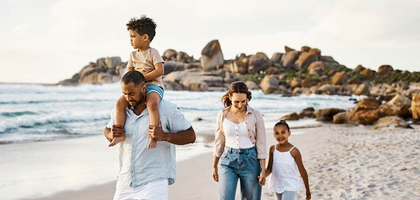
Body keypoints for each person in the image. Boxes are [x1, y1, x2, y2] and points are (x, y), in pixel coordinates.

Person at [104, 71, 196, 200]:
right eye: (125, 94)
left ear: (143, 88)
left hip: (154, 180)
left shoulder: (166, 109)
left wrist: (165, 136)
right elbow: (107, 130)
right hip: (125, 180)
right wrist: (111, 134)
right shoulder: (121, 112)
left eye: (132, 94)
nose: (128, 98)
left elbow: (191, 136)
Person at [109, 15, 165, 149]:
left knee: (152, 104)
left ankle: (153, 136)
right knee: (119, 103)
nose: (131, 40)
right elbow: (129, 72)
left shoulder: (153, 53)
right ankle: (119, 134)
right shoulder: (132, 55)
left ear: (145, 37)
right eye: (130, 37)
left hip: (153, 86)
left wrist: (141, 78)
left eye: (133, 36)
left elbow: (159, 71)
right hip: (137, 87)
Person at [212, 81, 267, 200]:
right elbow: (219, 142)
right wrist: (214, 166)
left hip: (251, 161)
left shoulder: (256, 115)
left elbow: (261, 143)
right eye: (236, 101)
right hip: (228, 161)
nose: (240, 105)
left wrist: (263, 169)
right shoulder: (222, 115)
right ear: (230, 97)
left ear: (247, 98)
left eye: (243, 101)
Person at [263, 120, 311, 200]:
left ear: (289, 133)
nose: (280, 136)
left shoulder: (294, 151)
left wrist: (307, 190)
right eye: (277, 133)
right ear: (274, 135)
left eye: (283, 132)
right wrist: (263, 176)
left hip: (290, 184)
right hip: (277, 183)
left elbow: (302, 170)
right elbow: (269, 169)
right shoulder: (272, 149)